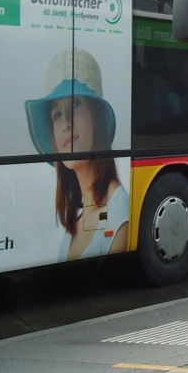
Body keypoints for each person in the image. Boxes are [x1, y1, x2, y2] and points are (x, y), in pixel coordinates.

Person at [26, 48, 129, 261]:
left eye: (74, 104)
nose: (65, 123)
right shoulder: (73, 228)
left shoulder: (119, 213)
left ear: (96, 117)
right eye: (56, 114)